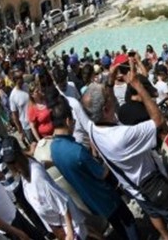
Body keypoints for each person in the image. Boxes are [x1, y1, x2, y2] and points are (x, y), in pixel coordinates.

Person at [83, 70, 168, 240]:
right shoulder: (121, 136)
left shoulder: (92, 126)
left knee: (153, 214)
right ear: (105, 109)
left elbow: (106, 103)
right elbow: (158, 120)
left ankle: (166, 237)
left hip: (132, 186)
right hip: (151, 182)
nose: (112, 96)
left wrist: (110, 83)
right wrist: (139, 86)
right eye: (109, 96)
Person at [50, 95, 140, 239]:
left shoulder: (53, 150)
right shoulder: (77, 151)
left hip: (90, 200)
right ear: (68, 121)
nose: (74, 124)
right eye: (73, 121)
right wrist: (109, 157)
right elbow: (102, 173)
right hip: (105, 195)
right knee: (128, 221)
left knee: (117, 225)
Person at [2, 136, 93, 240]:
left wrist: (70, 233)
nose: (12, 166)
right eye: (9, 163)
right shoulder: (25, 169)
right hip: (56, 225)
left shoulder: (37, 178)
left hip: (67, 225)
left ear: (20, 157)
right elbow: (42, 164)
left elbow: (63, 203)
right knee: (90, 232)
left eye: (13, 161)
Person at [9, 72, 33, 145]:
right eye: (19, 78)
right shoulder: (13, 96)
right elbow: (15, 116)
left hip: (35, 119)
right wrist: (20, 130)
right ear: (14, 80)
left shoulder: (26, 86)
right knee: (33, 144)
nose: (22, 79)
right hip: (27, 125)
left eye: (21, 77)